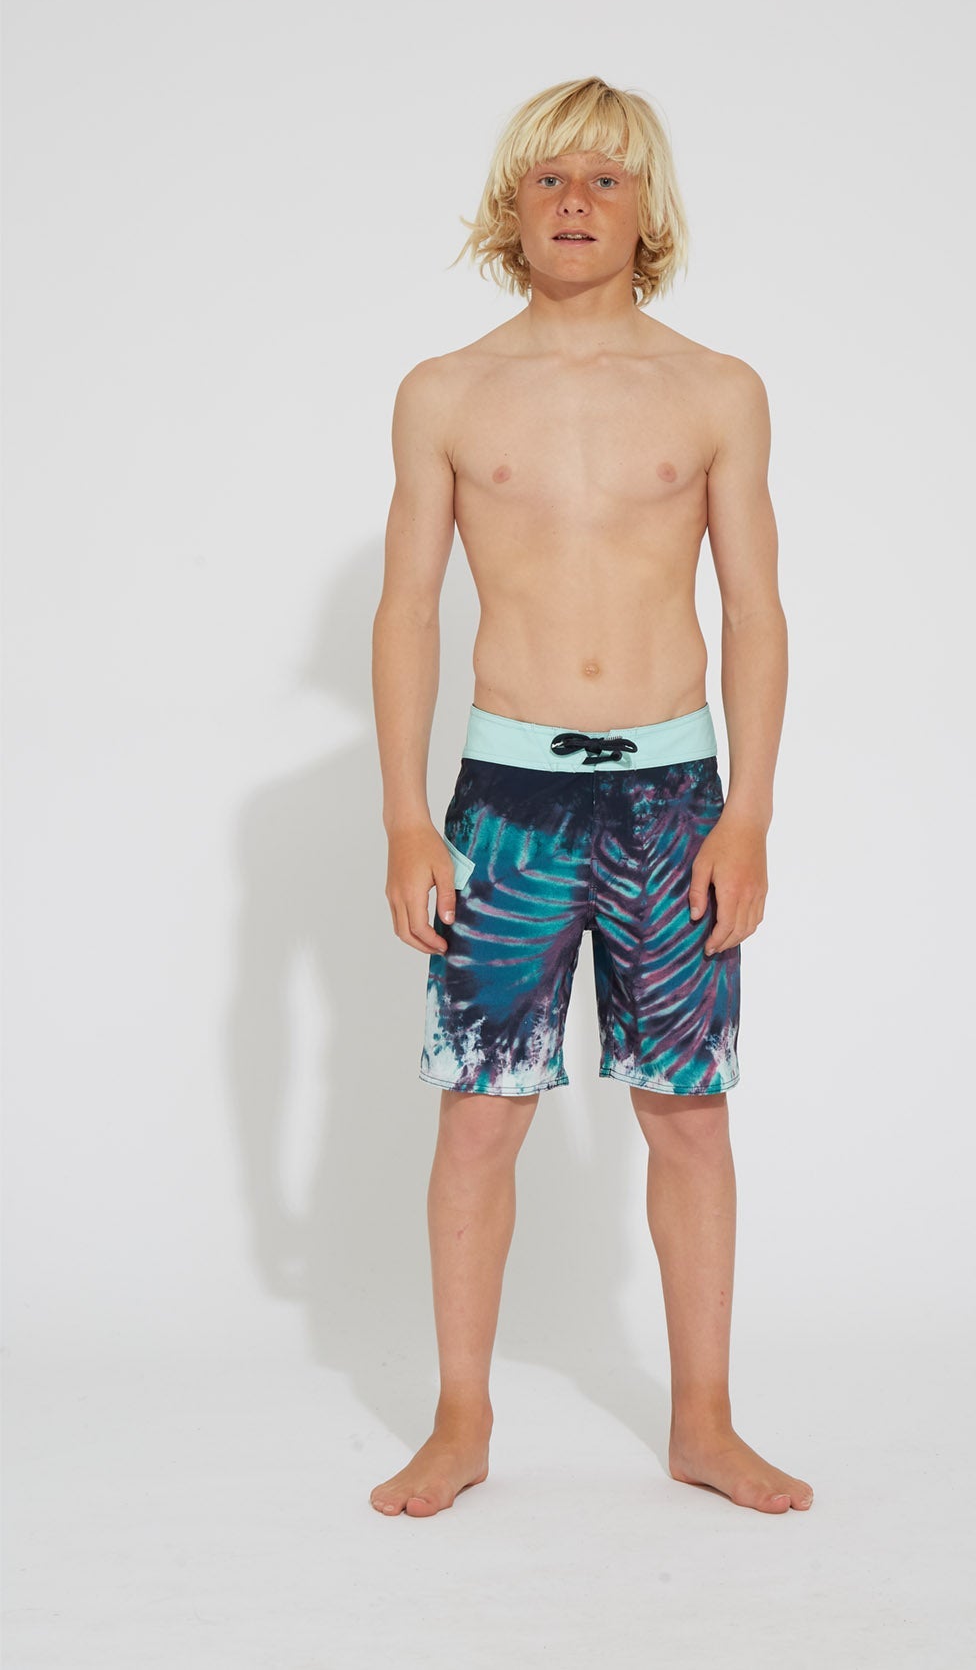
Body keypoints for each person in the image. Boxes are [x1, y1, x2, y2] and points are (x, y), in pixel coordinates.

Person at [368, 77, 810, 1518]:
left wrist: (748, 812)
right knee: (479, 1114)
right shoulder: (445, 391)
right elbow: (405, 611)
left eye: (607, 180)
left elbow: (755, 611)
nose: (576, 201)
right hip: (507, 800)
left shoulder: (716, 389)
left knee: (689, 1110)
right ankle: (459, 1419)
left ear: (647, 210)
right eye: (549, 177)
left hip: (675, 799)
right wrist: (406, 816)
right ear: (510, 206)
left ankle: (703, 1421)